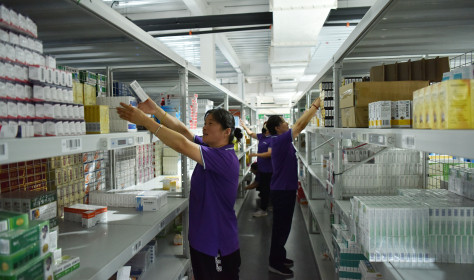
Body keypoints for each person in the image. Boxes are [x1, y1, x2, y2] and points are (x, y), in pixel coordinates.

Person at [117, 99, 243, 280]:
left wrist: (146, 121)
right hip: (201, 241)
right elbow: (184, 132)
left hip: (217, 244)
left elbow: (182, 145)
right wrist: (157, 111)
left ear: (227, 132)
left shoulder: (224, 158)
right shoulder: (210, 147)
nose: (205, 127)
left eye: (211, 124)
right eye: (205, 123)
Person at [266, 97, 321, 276]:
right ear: (277, 128)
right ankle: (274, 262)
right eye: (283, 122)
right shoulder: (280, 140)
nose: (287, 123)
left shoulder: (283, 141)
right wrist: (315, 106)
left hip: (286, 189)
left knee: (284, 226)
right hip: (282, 191)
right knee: (281, 228)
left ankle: (280, 256)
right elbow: (299, 126)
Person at [240, 120, 272, 217]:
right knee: (264, 189)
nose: (264, 127)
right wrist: (244, 127)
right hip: (262, 168)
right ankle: (267, 205)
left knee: (265, 189)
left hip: (269, 169)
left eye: (266, 126)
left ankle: (263, 210)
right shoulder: (261, 136)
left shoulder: (273, 139)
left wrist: (255, 154)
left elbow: (269, 154)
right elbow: (251, 134)